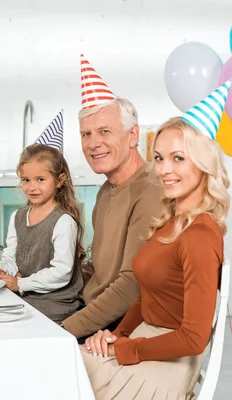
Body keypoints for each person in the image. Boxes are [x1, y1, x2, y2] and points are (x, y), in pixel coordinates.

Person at [81, 81, 230, 398]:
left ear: (203, 163)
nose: (164, 170)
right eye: (159, 158)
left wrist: (127, 348)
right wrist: (115, 335)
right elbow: (144, 296)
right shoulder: (170, 223)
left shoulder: (201, 235)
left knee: (58, 377)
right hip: (141, 342)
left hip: (166, 364)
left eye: (179, 158)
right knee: (56, 368)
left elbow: (193, 338)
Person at [61, 56, 164, 339]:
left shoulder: (151, 190)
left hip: (122, 327)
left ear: (132, 135)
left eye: (104, 131)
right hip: (94, 311)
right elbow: (97, 270)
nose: (93, 143)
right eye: (86, 134)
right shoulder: (105, 192)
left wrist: (67, 329)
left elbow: (132, 284)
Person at [0, 111, 84, 322]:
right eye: (26, 180)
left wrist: (21, 284)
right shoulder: (17, 216)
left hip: (55, 304)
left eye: (40, 179)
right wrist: (7, 271)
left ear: (59, 179)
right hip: (24, 296)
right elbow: (10, 253)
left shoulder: (63, 222)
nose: (32, 187)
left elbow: (62, 272)